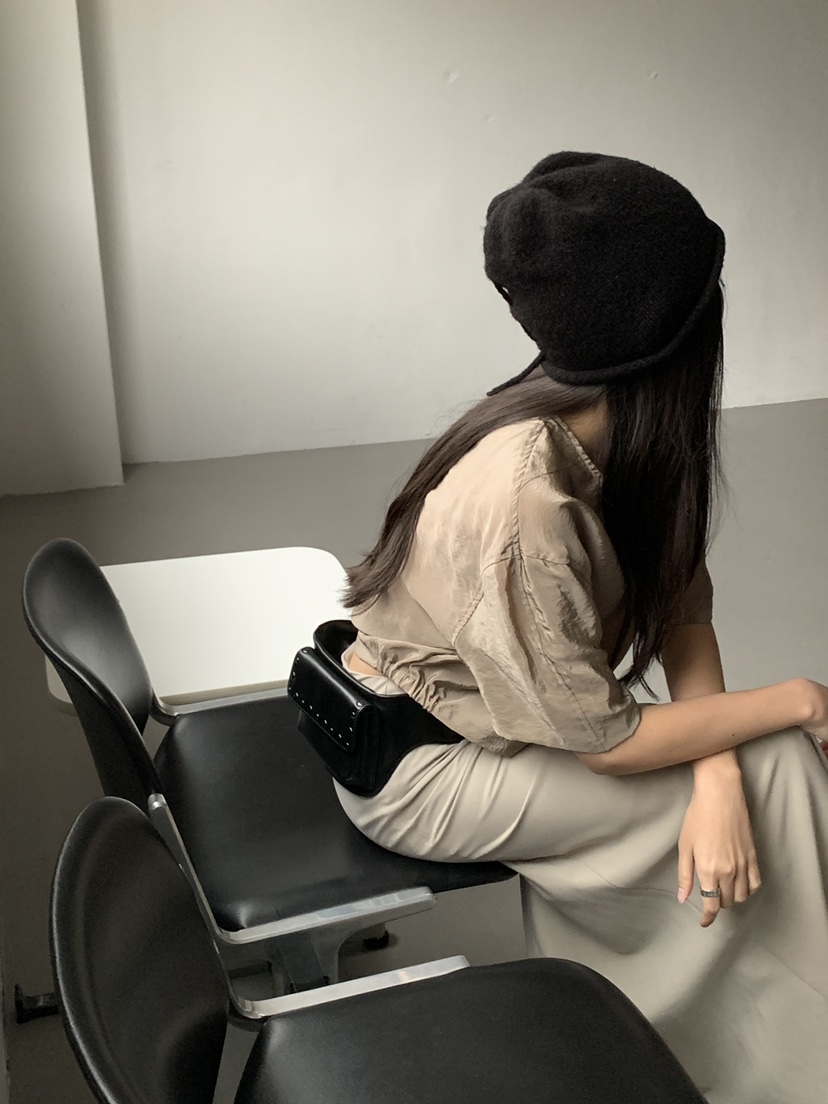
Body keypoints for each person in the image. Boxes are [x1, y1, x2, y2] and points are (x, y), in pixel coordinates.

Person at [334, 152, 828, 1103]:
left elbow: (681, 602)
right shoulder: (526, 497)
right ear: (672, 334)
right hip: (423, 766)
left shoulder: (609, 414)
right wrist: (800, 702)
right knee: (785, 764)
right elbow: (608, 746)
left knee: (749, 768)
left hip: (500, 723)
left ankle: (706, 1040)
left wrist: (716, 770)